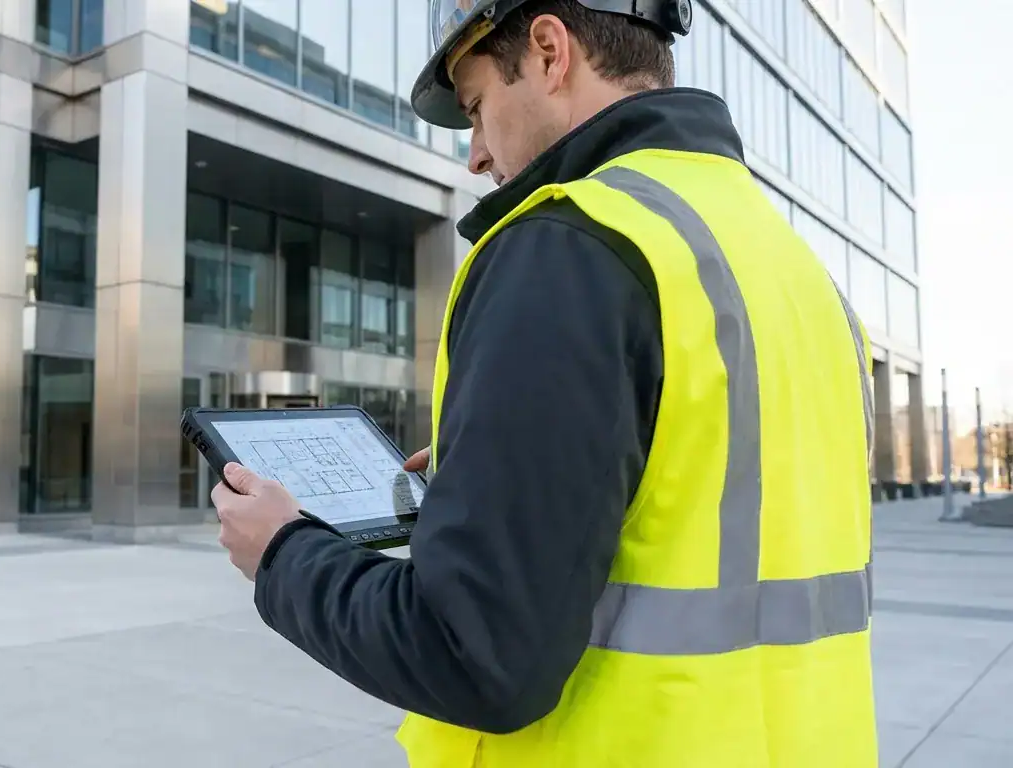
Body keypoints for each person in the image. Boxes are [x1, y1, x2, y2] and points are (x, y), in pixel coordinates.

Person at [210, 0, 879, 765]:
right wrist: (503, 483)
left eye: (477, 106)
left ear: (550, 51)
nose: (475, 155)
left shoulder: (571, 244)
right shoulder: (797, 272)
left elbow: (472, 655)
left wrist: (282, 555)